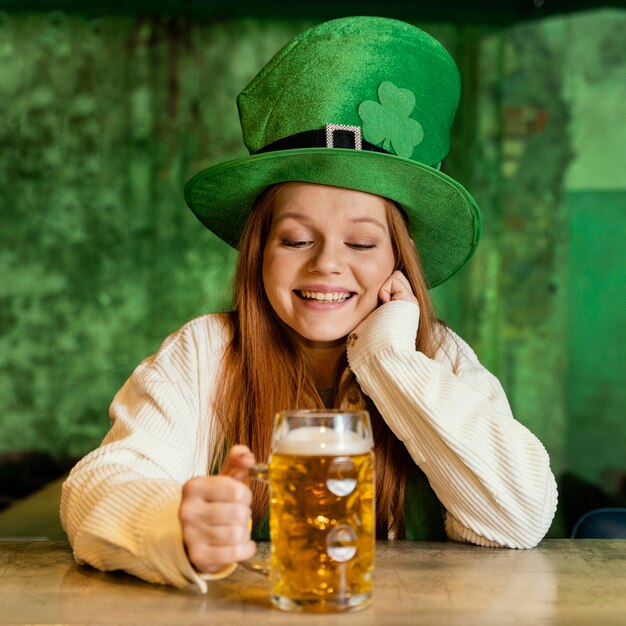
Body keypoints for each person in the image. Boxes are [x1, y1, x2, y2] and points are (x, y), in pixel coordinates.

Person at [60, 16, 558, 592]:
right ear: (259, 252)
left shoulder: (438, 356)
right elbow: (99, 487)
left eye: (363, 243)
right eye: (296, 239)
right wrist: (170, 524)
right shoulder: (205, 353)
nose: (326, 264)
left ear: (400, 258)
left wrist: (388, 361)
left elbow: (517, 517)